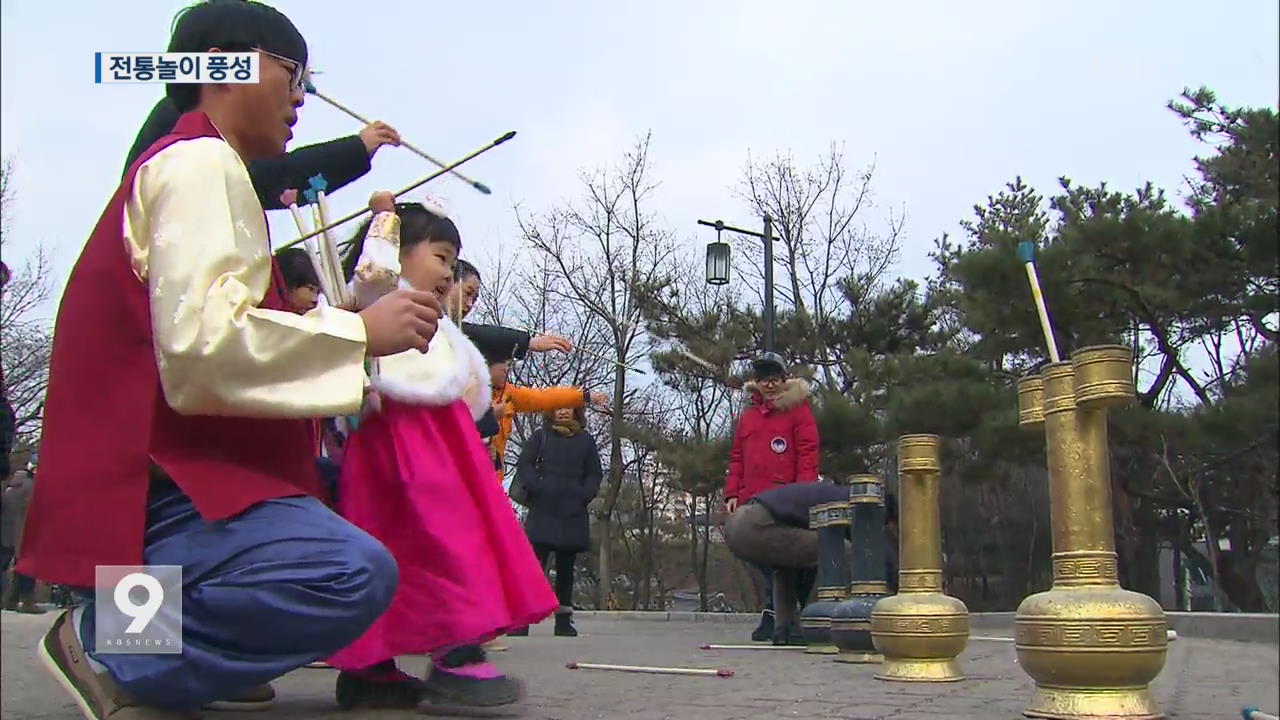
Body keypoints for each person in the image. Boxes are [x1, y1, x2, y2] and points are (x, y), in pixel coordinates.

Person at [17, 3, 442, 717]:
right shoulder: (197, 164)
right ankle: (112, 645)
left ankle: (156, 652)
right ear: (224, 65)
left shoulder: (205, 169)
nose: (302, 97)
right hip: (168, 489)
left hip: (156, 482)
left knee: (347, 513)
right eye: (294, 74)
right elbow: (203, 348)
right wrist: (357, 334)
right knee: (351, 570)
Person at [327, 192, 557, 711]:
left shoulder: (433, 315)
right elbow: (372, 275)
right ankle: (441, 652)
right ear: (401, 252)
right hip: (401, 443)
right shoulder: (379, 296)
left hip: (439, 441)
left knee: (438, 538)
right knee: (431, 539)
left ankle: (378, 666)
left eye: (453, 264)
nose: (449, 276)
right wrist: (383, 222)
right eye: (441, 259)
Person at [123, 96, 401, 212]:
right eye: (289, 77)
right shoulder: (190, 130)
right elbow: (274, 178)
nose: (298, 99)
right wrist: (355, 149)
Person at [723, 352, 820, 642]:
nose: (770, 386)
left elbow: (808, 454)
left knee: (789, 556)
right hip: (753, 499)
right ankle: (773, 611)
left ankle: (785, 616)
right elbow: (737, 458)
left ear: (783, 380)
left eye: (775, 380)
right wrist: (732, 492)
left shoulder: (798, 411)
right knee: (760, 554)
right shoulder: (748, 418)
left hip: (786, 498)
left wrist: (801, 494)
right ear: (757, 383)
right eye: (764, 380)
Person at [510, 406, 603, 637]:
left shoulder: (586, 441)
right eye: (558, 408)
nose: (563, 412)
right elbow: (525, 465)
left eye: (568, 408)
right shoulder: (541, 437)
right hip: (543, 508)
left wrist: (583, 494)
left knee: (566, 569)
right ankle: (523, 619)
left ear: (576, 412)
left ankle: (563, 621)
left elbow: (594, 473)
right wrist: (538, 487)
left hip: (572, 510)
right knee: (533, 567)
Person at [1, 463, 44, 614]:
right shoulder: (31, 486)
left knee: (13, 566)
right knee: (28, 566)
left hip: (8, 533)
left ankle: (10, 599)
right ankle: (27, 601)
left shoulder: (9, 488)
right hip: (27, 532)